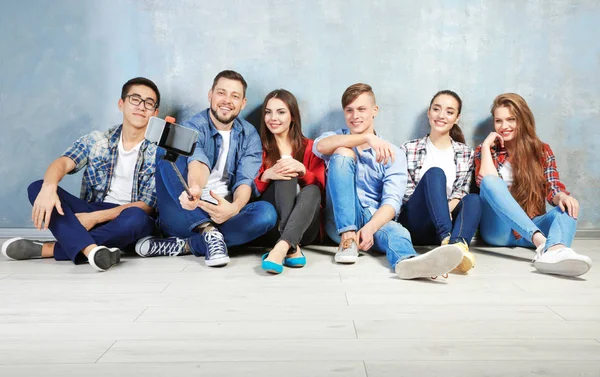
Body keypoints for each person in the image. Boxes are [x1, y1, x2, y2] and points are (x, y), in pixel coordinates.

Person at [1, 77, 161, 271]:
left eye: (149, 103)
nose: (141, 107)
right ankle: (94, 251)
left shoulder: (159, 150)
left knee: (137, 218)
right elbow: (62, 163)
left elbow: (147, 206)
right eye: (135, 99)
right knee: (37, 186)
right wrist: (49, 188)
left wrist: (94, 218)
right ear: (121, 104)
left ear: (155, 113)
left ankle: (49, 249)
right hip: (91, 209)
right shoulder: (97, 140)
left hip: (127, 219)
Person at [313, 83, 463, 280]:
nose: (355, 115)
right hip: (340, 222)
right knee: (342, 153)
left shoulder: (394, 153)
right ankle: (347, 240)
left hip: (372, 218)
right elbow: (320, 146)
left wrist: (371, 227)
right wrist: (366, 138)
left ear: (374, 111)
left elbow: (392, 202)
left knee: (398, 232)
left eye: (361, 109)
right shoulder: (335, 137)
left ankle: (408, 263)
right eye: (349, 110)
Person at [135, 70, 277, 267]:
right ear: (210, 94)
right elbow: (198, 164)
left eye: (234, 96)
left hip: (223, 213)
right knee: (167, 149)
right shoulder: (193, 126)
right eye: (221, 93)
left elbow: (245, 180)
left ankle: (188, 245)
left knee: (267, 214)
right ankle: (207, 231)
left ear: (243, 103)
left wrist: (233, 208)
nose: (227, 100)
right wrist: (194, 189)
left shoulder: (249, 134)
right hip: (185, 208)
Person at [475, 93, 592, 277]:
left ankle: (554, 251)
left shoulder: (542, 151)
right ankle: (543, 244)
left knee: (568, 207)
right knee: (490, 181)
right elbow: (486, 182)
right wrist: (485, 147)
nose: (504, 126)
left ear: (523, 119)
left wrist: (562, 196)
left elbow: (552, 185)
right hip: (498, 230)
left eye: (511, 119)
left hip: (532, 223)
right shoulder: (487, 151)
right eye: (499, 121)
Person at [399, 90, 481, 274]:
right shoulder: (408, 148)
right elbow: (405, 193)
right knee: (435, 174)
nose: (441, 115)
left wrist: (446, 210)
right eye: (437, 109)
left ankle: (457, 246)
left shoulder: (466, 153)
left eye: (449, 112)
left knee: (474, 199)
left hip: (449, 220)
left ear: (457, 118)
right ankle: (446, 241)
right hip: (415, 223)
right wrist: (442, 212)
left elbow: (462, 191)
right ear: (429, 112)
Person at [254, 89, 325, 274]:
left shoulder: (310, 147)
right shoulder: (257, 147)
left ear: (292, 116)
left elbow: (322, 193)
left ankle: (283, 246)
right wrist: (266, 175)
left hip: (305, 229)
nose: (273, 118)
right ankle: (288, 247)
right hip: (271, 228)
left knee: (311, 189)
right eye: (268, 112)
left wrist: (302, 171)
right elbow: (248, 192)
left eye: (281, 112)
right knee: (285, 173)